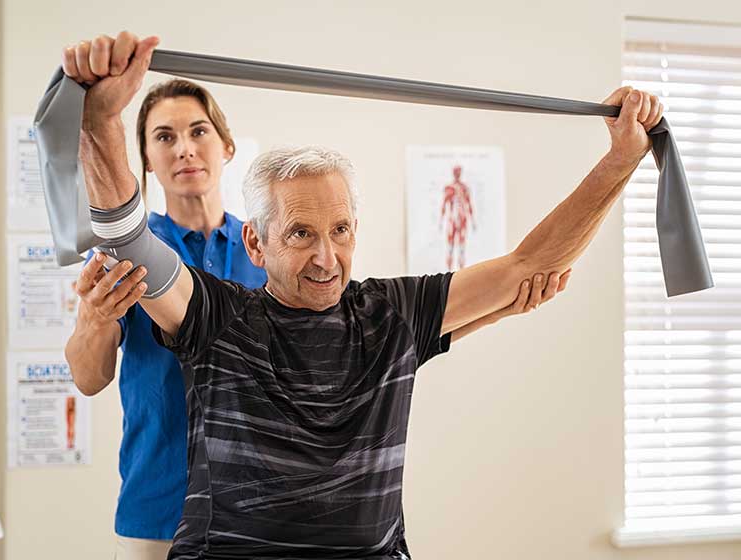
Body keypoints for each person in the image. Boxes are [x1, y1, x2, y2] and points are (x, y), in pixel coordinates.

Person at [69, 33, 609, 559]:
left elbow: (527, 266)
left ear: (224, 145)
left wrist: (621, 158)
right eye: (302, 234)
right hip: (167, 500)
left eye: (341, 231)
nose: (326, 258)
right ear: (261, 246)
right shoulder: (204, 301)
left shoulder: (384, 313)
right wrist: (100, 120)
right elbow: (123, 244)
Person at [62, 32, 270, 560]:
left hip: (265, 503)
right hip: (157, 506)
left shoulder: (267, 251)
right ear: (147, 160)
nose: (184, 148)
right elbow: (89, 378)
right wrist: (92, 318)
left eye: (198, 131)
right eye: (164, 136)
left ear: (226, 146)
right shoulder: (119, 253)